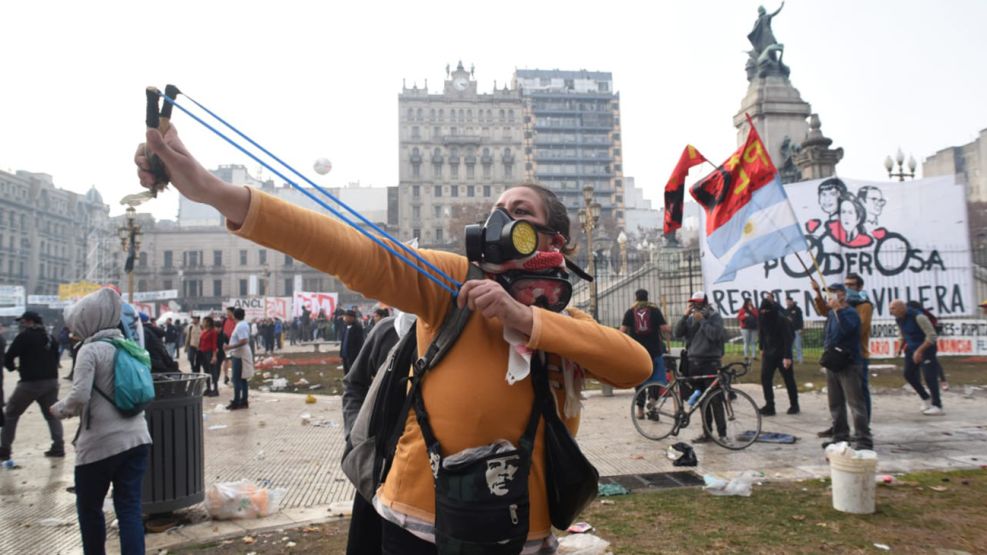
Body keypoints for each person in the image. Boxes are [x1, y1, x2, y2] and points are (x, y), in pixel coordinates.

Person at [135, 125, 651, 553]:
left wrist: (527, 319)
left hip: (523, 532)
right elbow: (359, 254)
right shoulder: (455, 281)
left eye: (520, 210)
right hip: (414, 523)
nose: (500, 218)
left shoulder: (566, 323)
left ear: (553, 240)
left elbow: (635, 366)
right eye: (496, 207)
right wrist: (214, 192)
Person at [50, 288, 152, 555]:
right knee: (129, 508)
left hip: (100, 445)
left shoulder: (90, 349)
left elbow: (80, 395)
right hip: (138, 438)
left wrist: (60, 409)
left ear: (88, 320)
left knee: (90, 509)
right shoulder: (128, 345)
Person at [342, 311, 407, 555]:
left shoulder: (461, 333)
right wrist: (355, 436)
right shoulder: (387, 331)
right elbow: (354, 384)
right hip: (378, 468)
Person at [812, 272, 874, 436]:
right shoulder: (835, 310)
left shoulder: (862, 306)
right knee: (836, 400)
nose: (848, 287)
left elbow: (857, 330)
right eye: (846, 284)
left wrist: (839, 311)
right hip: (836, 358)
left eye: (851, 285)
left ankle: (863, 431)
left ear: (859, 287)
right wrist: (818, 293)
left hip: (854, 355)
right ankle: (840, 431)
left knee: (858, 397)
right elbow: (824, 311)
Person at [0, 311, 63, 460]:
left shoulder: (24, 337)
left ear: (29, 322)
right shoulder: (49, 337)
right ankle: (58, 447)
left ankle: (4, 450)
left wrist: (12, 368)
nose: (21, 324)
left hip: (29, 384)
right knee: (52, 415)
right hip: (51, 382)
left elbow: (9, 356)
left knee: (11, 413)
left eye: (23, 322)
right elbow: (56, 357)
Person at [673, 291, 727, 443]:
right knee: (702, 399)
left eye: (698, 303)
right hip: (694, 362)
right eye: (693, 303)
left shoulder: (714, 316)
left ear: (704, 303)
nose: (695, 306)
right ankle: (707, 432)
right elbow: (677, 333)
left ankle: (722, 434)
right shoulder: (690, 319)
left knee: (715, 399)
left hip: (710, 362)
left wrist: (703, 321)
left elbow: (715, 335)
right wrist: (685, 316)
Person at [620, 289, 670, 419]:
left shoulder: (630, 312)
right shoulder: (655, 311)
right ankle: (653, 404)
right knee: (655, 379)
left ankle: (640, 410)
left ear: (636, 298)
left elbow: (622, 331)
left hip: (638, 352)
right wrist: (667, 328)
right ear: (647, 298)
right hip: (654, 350)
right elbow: (665, 329)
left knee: (640, 380)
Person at [890, 299, 944, 415]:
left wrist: (920, 351)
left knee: (930, 377)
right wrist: (899, 348)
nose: (891, 311)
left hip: (927, 347)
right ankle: (926, 398)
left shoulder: (919, 317)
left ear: (901, 307)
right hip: (911, 348)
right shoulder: (899, 319)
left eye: (893, 308)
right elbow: (903, 334)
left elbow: (932, 336)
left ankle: (937, 405)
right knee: (908, 374)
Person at [757, 295, 798, 416]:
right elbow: (762, 333)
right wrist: (761, 348)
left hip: (782, 353)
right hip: (768, 353)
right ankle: (770, 405)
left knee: (788, 379)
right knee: (765, 378)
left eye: (766, 311)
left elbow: (788, 338)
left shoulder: (782, 320)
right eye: (762, 311)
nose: (764, 313)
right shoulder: (763, 318)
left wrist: (787, 356)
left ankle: (794, 404)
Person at [223, 308, 253, 410]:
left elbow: (243, 341)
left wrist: (229, 347)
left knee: (236, 379)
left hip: (239, 355)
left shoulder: (241, 326)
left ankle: (237, 401)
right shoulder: (242, 324)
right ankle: (243, 401)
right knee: (242, 378)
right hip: (239, 354)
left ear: (234, 315)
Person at [198, 317, 220, 397]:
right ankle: (208, 388)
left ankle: (215, 389)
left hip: (209, 353)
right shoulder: (203, 331)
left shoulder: (213, 332)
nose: (203, 322)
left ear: (208, 322)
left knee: (213, 371)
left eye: (204, 321)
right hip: (202, 353)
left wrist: (214, 356)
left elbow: (214, 344)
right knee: (206, 371)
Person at [340, 309, 366, 375]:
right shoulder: (345, 327)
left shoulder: (357, 328)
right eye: (345, 316)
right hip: (344, 354)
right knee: (346, 371)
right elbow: (343, 341)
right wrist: (341, 354)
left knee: (352, 372)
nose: (345, 318)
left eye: (347, 317)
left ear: (352, 318)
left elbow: (360, 343)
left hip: (353, 355)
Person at [784, 296, 804, 363]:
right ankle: (791, 359)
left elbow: (801, 319)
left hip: (796, 330)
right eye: (786, 301)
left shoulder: (797, 309)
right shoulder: (786, 310)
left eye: (788, 301)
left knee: (798, 345)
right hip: (788, 331)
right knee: (789, 347)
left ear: (792, 301)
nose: (787, 303)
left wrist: (801, 328)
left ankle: (800, 359)